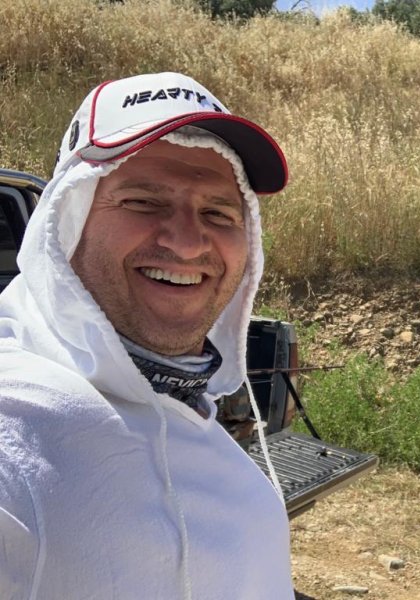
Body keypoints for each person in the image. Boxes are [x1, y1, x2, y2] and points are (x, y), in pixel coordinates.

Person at [0, 72, 295, 599]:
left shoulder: (194, 416)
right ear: (66, 221)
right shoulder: (15, 427)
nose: (187, 243)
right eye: (142, 202)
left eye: (217, 213)